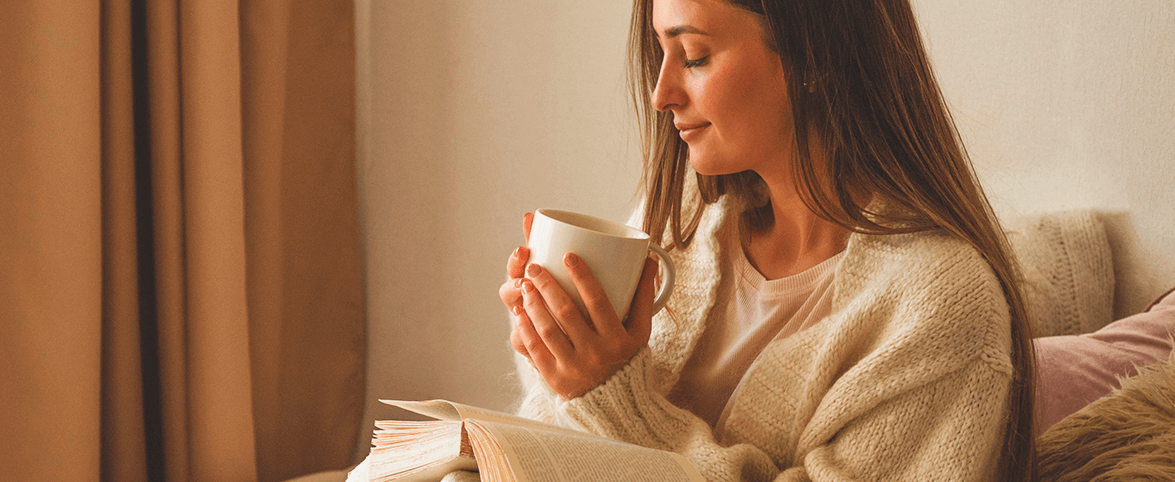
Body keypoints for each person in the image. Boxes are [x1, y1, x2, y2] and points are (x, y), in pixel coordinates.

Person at [496, 0, 1037, 481]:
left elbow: (608, 412)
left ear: (815, 58)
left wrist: (611, 397)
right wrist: (554, 349)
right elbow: (566, 431)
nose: (662, 95)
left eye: (694, 56)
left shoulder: (941, 305)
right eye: (660, 53)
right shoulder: (683, 216)